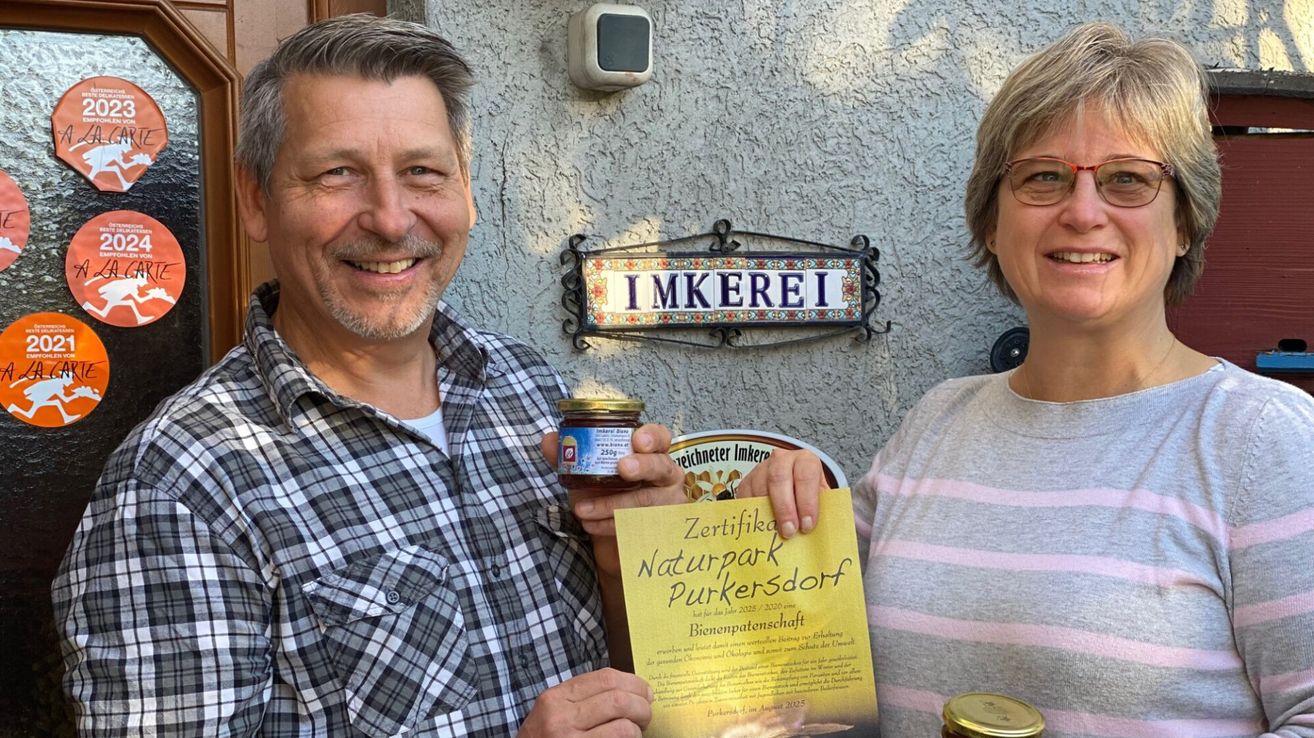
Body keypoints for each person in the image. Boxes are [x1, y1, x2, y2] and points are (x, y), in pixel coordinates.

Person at [51, 15, 684, 737]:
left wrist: (630, 557)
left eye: (422, 171)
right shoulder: (180, 486)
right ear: (256, 199)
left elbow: (642, 680)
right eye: (336, 174)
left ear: (465, 188)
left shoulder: (527, 390)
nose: (390, 219)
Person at [741, 22, 1314, 737]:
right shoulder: (937, 422)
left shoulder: (1264, 441)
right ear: (992, 220)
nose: (1082, 212)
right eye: (1042, 176)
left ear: (1186, 221)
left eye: (1128, 179)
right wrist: (770, 521)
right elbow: (810, 671)